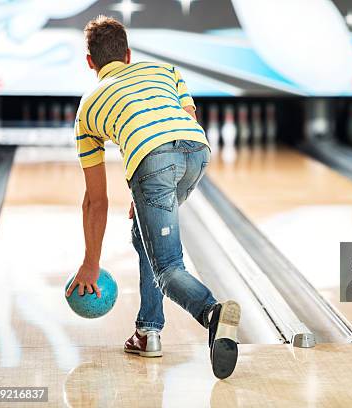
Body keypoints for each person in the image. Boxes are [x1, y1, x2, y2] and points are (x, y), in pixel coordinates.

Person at [65, 15, 240, 380]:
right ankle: (148, 331)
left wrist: (90, 264)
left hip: (152, 160)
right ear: (128, 54)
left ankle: (212, 314)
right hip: (197, 150)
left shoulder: (87, 109)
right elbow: (188, 118)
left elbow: (95, 201)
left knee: (168, 268)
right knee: (141, 234)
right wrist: (149, 191)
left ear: (89, 62)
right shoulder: (166, 72)